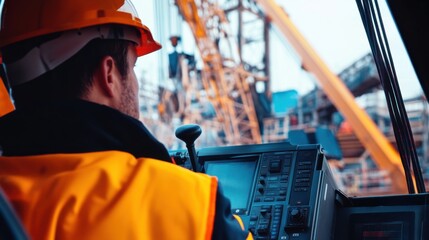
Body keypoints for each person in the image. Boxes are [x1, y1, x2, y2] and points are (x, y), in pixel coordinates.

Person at [0, 0, 253, 239]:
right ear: (109, 74)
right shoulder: (191, 205)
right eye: (132, 67)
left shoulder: (7, 198)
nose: (136, 81)